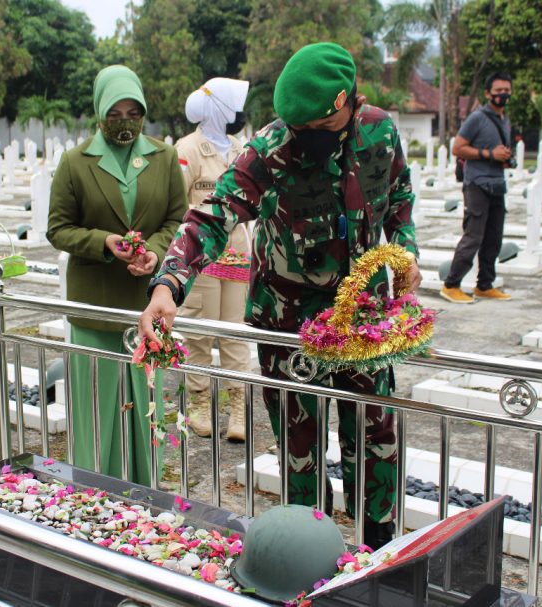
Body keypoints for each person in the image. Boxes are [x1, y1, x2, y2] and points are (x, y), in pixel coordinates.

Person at [139, 42, 420, 549]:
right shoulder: (269, 149)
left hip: (365, 319)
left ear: (345, 104)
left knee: (376, 440)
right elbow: (213, 213)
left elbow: (399, 196)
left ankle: (379, 553)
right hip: (289, 322)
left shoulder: (380, 130)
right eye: (296, 129)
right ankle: (308, 553)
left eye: (313, 129)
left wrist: (405, 251)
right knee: (299, 449)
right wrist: (169, 284)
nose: (302, 139)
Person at [46, 65, 187, 485]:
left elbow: (177, 219)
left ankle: (146, 485)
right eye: (115, 113)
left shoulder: (163, 158)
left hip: (147, 302)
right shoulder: (76, 162)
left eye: (133, 113)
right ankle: (94, 486)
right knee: (97, 403)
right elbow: (58, 228)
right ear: (99, 112)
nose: (125, 122)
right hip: (95, 306)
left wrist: (157, 253)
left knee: (145, 402)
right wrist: (104, 243)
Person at [176, 77, 252, 442]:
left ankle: (238, 408)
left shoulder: (241, 149)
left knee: (235, 336)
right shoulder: (188, 149)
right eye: (233, 106)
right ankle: (199, 404)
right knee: (200, 334)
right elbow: (178, 205)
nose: (238, 114)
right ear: (217, 108)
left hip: (237, 256)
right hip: (202, 258)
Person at [442, 72, 515, 304]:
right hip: (477, 184)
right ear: (487, 93)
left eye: (506, 90)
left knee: (494, 237)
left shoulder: (505, 120)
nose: (503, 95)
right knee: (473, 235)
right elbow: (458, 148)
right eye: (498, 91)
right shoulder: (477, 118)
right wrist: (488, 154)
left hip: (497, 184)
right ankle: (451, 284)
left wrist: (502, 158)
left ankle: (485, 285)